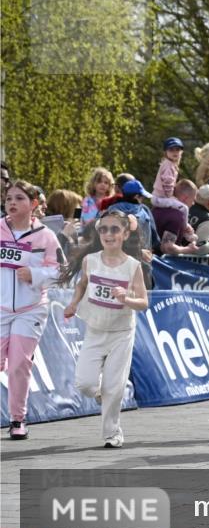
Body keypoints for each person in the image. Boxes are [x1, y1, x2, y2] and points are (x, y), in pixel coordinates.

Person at [61, 211, 148, 447]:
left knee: (114, 386)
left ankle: (112, 433)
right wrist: (73, 303)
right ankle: (101, 394)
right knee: (85, 383)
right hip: (95, 329)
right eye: (104, 229)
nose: (108, 234)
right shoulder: (91, 260)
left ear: (125, 233)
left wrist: (126, 298)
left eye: (114, 229)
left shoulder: (133, 266)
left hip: (121, 332)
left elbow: (143, 302)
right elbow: (82, 284)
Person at [1, 182, 62, 440]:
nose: (12, 203)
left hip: (31, 309)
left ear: (34, 204)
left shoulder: (46, 235)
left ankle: (17, 419)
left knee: (18, 364)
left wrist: (35, 274)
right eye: (8, 198)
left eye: (19, 198)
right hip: (0, 308)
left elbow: (61, 272)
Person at [152, 137, 188, 220]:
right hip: (160, 198)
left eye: (177, 149)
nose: (175, 152)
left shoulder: (170, 164)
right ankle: (185, 227)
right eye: (171, 150)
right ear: (165, 152)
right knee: (184, 208)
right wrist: (170, 196)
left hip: (159, 197)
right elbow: (167, 182)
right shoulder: (168, 165)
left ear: (181, 152)